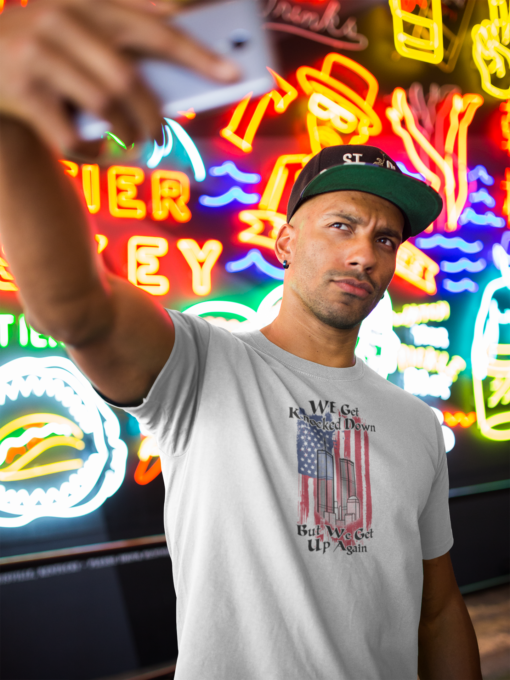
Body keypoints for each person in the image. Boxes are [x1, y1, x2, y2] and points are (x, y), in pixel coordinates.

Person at [0, 1, 482, 678]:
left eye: (385, 238)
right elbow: (80, 307)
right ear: (285, 240)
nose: (365, 254)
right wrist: (12, 129)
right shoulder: (202, 366)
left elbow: (437, 610)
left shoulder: (414, 424)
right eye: (341, 225)